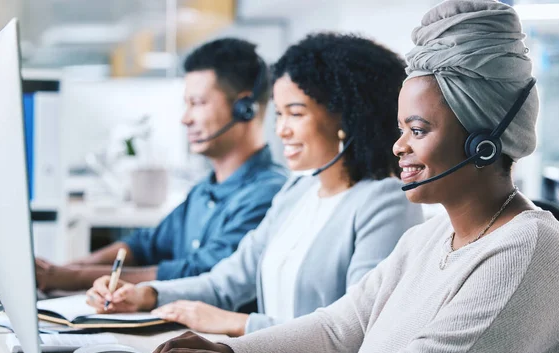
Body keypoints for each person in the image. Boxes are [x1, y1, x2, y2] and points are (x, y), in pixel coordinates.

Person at [125, 1, 559, 353]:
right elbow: (341, 327)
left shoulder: (528, 249)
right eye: (401, 129)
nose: (398, 146)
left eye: (417, 131)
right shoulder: (431, 238)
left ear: (484, 143)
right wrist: (224, 349)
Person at [86, 33, 424, 336]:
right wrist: (148, 294)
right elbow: (225, 282)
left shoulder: (384, 202)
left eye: (295, 113)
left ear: (347, 116)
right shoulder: (298, 191)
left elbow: (355, 329)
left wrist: (241, 324)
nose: (281, 130)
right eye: (278, 114)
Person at [35, 38, 288, 292]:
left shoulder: (267, 194)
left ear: (244, 108)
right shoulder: (204, 191)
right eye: (186, 104)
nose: (185, 118)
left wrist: (71, 278)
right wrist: (68, 268)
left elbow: (198, 275)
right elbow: (145, 245)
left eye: (198, 103)